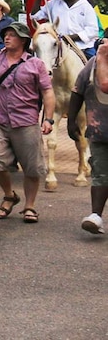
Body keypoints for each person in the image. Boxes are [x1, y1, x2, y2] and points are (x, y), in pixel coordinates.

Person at [0, 22, 55, 224]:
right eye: (5, 34)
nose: (7, 38)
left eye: (12, 35)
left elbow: (48, 92)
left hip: (26, 121)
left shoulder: (36, 64)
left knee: (32, 167)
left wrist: (48, 119)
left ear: (23, 40)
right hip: (0, 120)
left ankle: (29, 206)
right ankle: (9, 195)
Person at [67, 42, 108, 234]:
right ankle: (96, 216)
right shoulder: (92, 64)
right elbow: (77, 91)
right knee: (100, 173)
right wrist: (71, 120)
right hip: (100, 132)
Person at [32, 0, 100, 58]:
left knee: (95, 64)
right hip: (58, 47)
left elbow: (92, 30)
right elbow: (35, 16)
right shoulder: (53, 4)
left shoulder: (85, 6)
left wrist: (69, 38)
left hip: (83, 47)